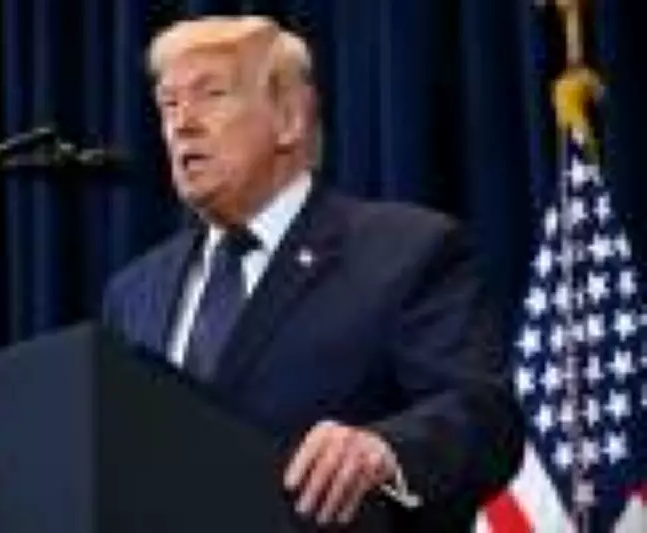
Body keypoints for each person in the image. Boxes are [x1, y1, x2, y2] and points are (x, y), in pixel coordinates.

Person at [102, 14, 524, 530]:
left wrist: (384, 450)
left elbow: (484, 419)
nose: (182, 123)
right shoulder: (135, 290)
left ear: (289, 119)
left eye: (211, 95)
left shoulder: (404, 250)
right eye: (169, 104)